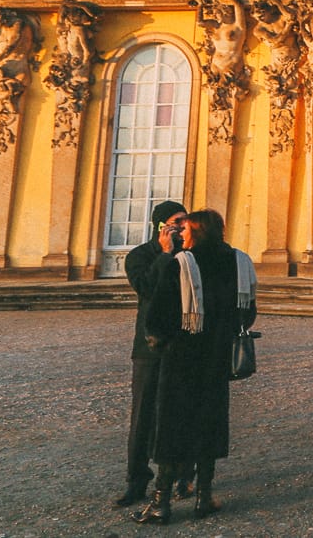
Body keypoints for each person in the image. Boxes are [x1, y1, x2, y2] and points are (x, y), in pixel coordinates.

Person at [134, 209, 257, 525]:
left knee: (173, 426)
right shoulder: (240, 263)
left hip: (182, 359)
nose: (181, 235)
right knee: (209, 423)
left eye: (185, 229)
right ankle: (204, 496)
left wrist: (159, 341)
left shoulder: (181, 263)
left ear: (198, 231)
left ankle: (161, 503)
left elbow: (158, 317)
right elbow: (248, 313)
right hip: (217, 358)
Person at [115, 200, 186, 507]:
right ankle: (136, 480)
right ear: (161, 226)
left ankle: (181, 477)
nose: (184, 227)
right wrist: (165, 254)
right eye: (177, 222)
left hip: (183, 345)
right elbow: (145, 288)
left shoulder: (190, 256)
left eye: (185, 222)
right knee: (143, 417)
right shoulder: (140, 257)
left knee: (181, 415)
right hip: (150, 346)